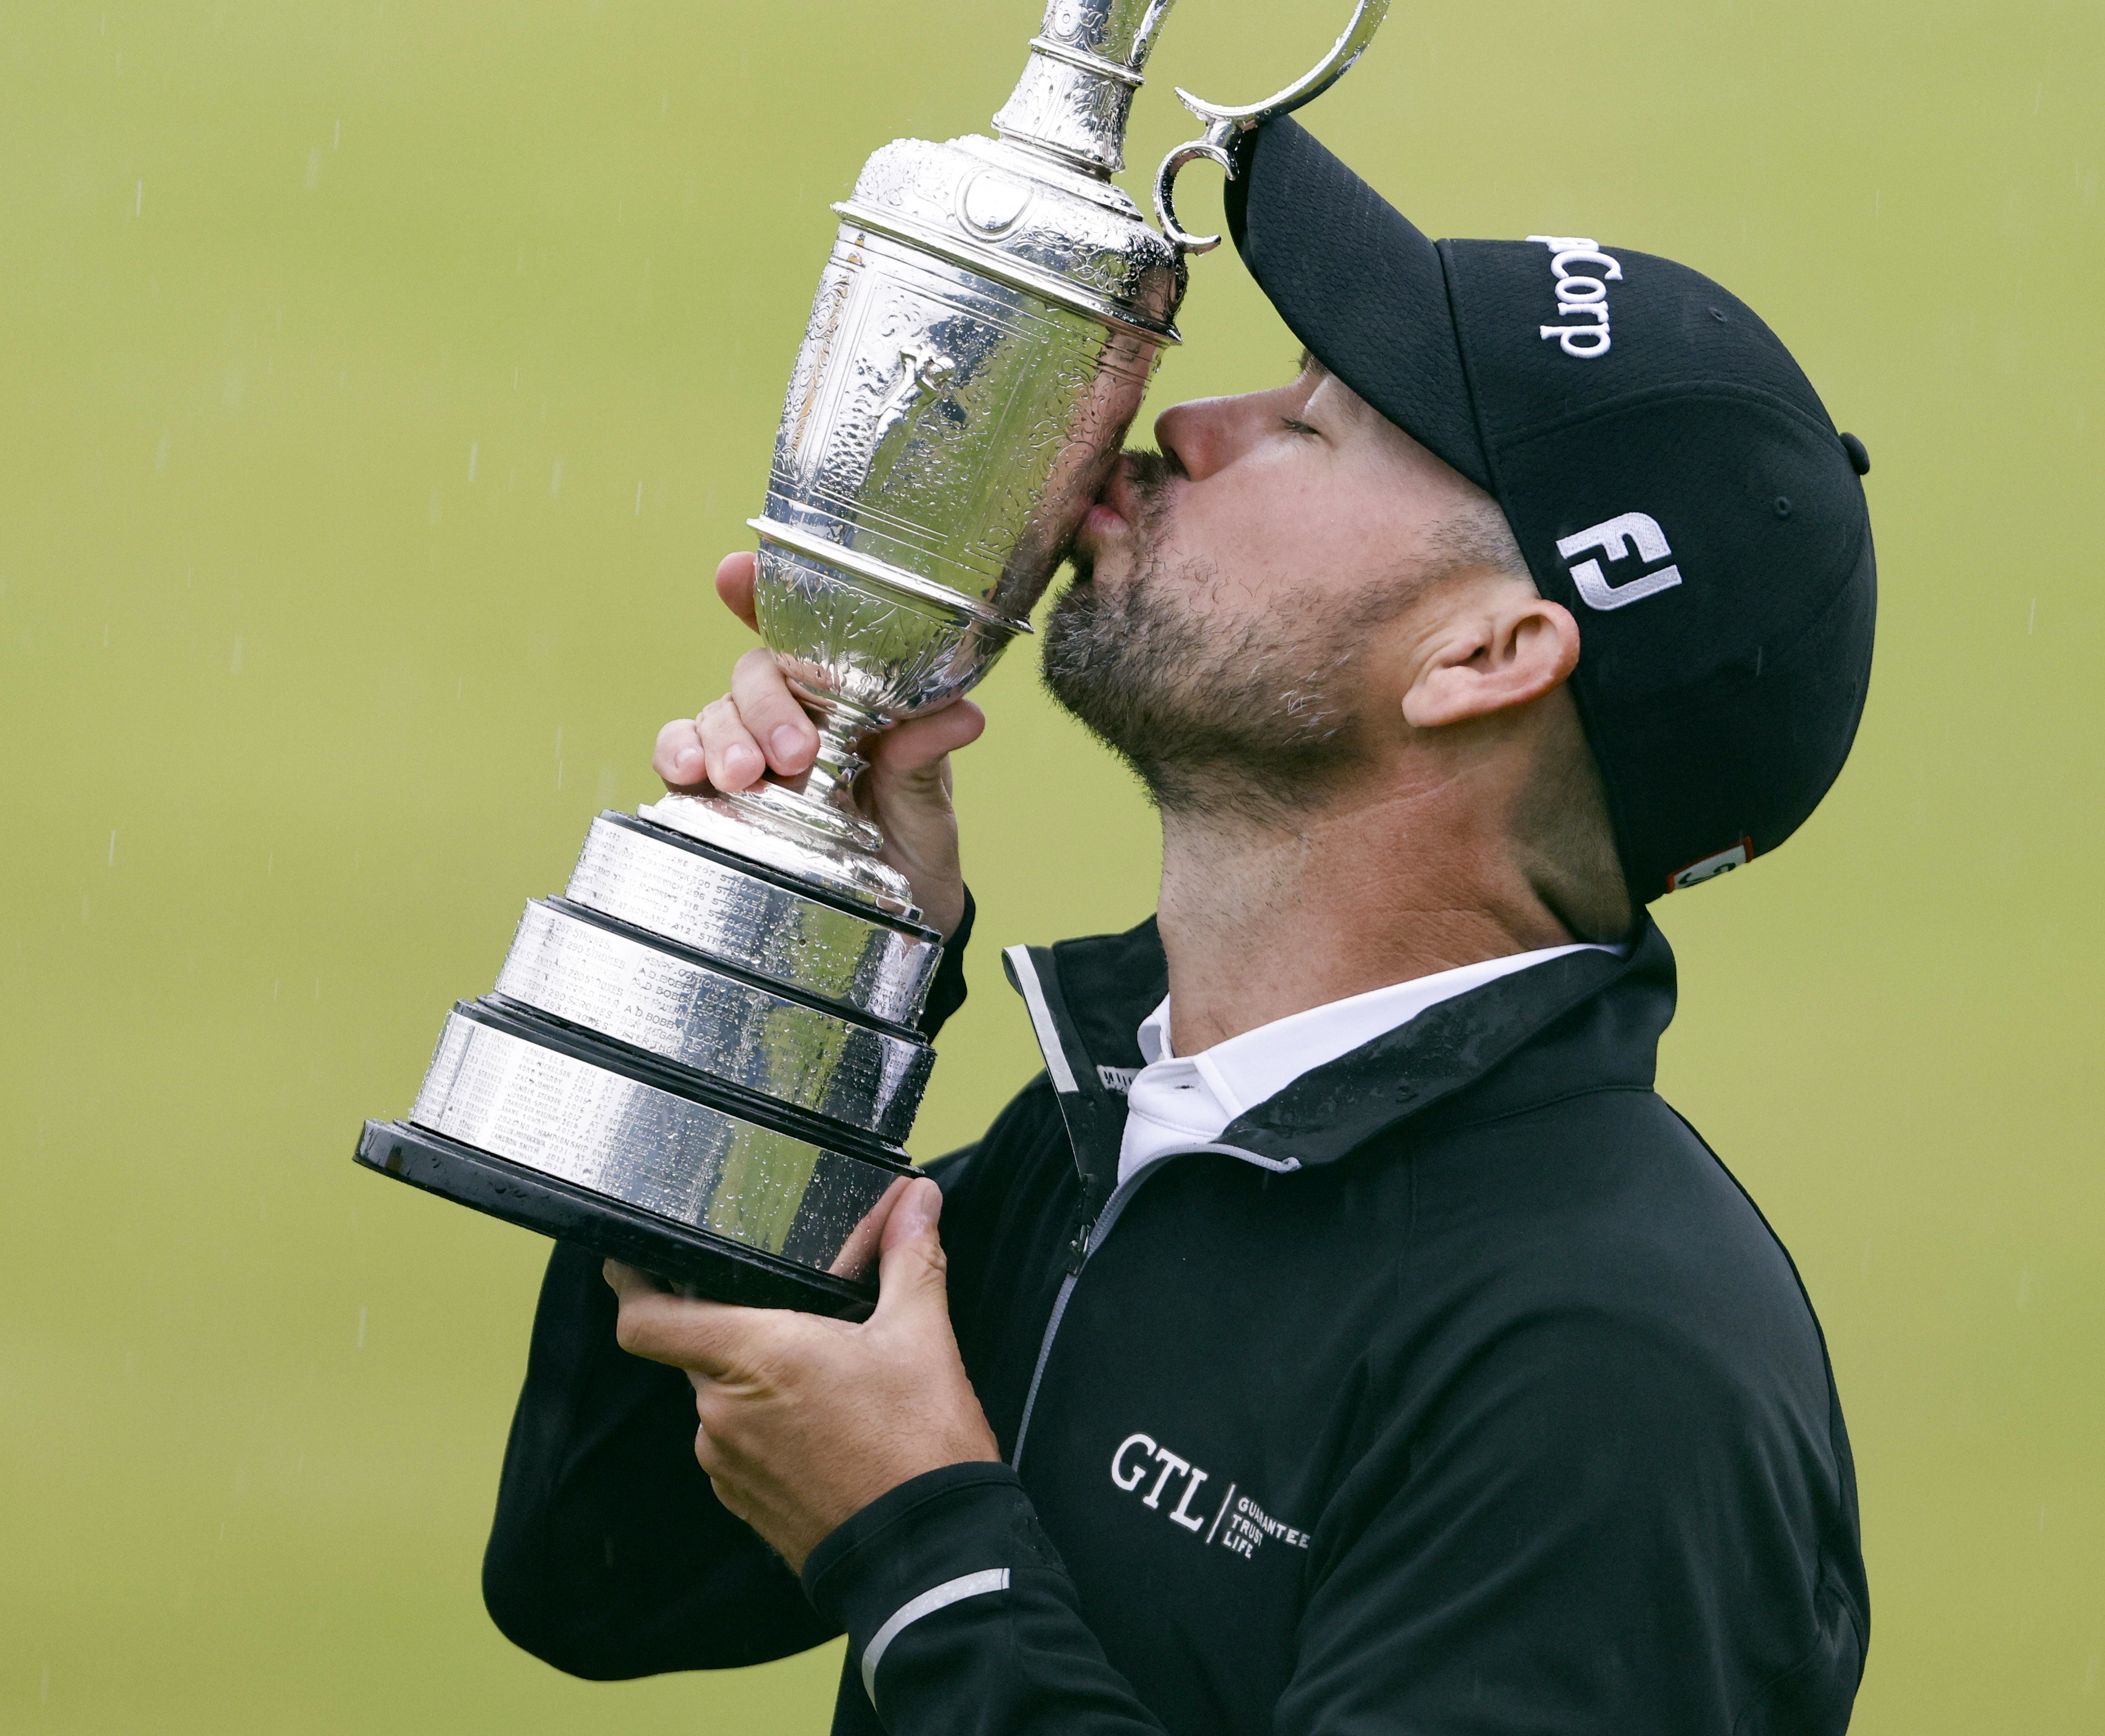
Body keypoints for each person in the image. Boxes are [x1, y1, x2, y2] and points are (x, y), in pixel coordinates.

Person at [479, 119, 1880, 1733]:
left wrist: (925, 1554)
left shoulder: (1616, 1378)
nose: (1184, 424)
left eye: (1313, 423)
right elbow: (600, 1563)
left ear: (1486, 657)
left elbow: (887, 1544)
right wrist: (799, 979)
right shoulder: (1147, 1122)